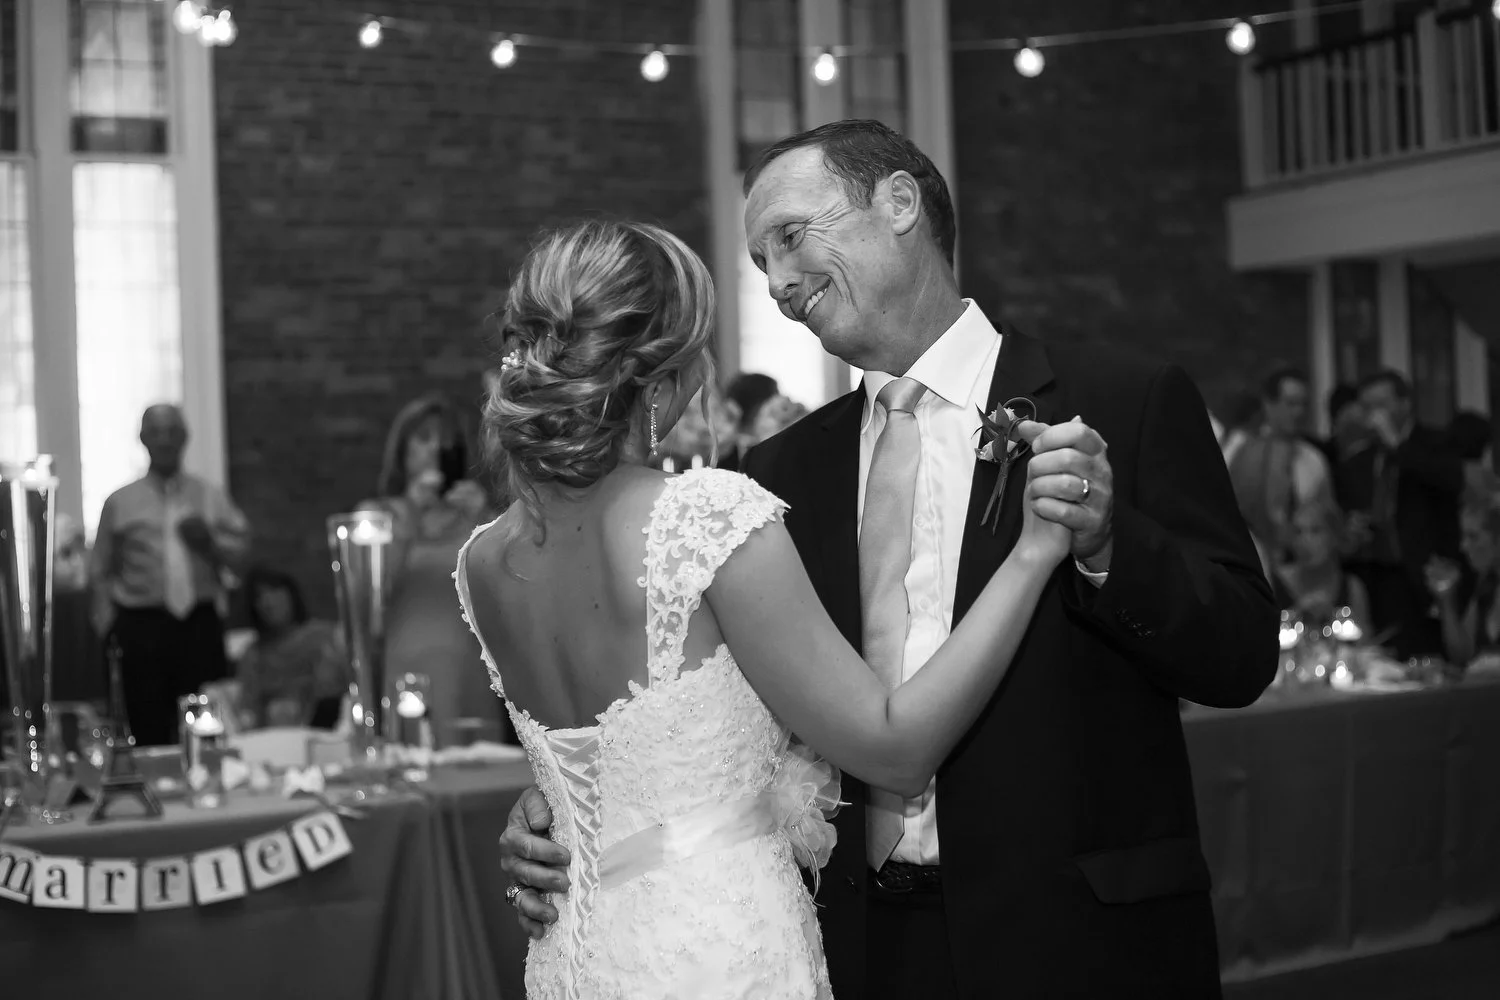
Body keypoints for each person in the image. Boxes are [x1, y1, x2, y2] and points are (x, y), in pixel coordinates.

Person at [499, 121, 1277, 998]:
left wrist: (1106, 545)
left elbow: (1242, 656)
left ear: (899, 203)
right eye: (762, 264)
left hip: (1079, 939)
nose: (781, 284)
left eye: (791, 239)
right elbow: (737, 714)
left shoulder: (1121, 403)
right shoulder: (780, 471)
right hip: (859, 948)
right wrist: (581, 815)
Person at [458, 218, 1070, 998]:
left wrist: (542, 813)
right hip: (718, 952)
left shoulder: (480, 559)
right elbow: (892, 750)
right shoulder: (703, 517)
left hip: (579, 958)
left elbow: (604, 763)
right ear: (661, 382)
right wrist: (1032, 554)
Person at [91, 404, 250, 746]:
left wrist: (209, 543)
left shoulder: (210, 496)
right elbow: (99, 571)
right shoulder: (120, 502)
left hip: (198, 625)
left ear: (185, 438)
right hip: (141, 626)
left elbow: (241, 562)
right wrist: (108, 627)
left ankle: (206, 786)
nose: (165, 441)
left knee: (206, 724)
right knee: (146, 724)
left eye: (172, 432)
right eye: (156, 432)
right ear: (143, 439)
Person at [358, 394, 506, 745]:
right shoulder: (376, 515)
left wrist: (485, 521)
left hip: (467, 671)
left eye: (446, 441)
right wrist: (408, 519)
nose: (436, 450)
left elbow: (504, 594)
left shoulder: (473, 513)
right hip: (404, 670)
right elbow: (368, 600)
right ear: (402, 450)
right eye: (424, 439)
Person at [1339, 370, 1462, 657]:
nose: (1374, 414)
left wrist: (1397, 444)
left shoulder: (1437, 443)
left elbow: (1448, 481)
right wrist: (1353, 529)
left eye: (1381, 404)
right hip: (1376, 578)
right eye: (1367, 407)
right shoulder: (1359, 460)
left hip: (1425, 576)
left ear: (1405, 403)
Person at [1226, 367, 1335, 563]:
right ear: (1269, 404)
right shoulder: (1241, 454)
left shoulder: (1314, 459)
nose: (1299, 412)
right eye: (1291, 403)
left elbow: (1326, 516)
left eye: (1304, 404)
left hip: (1304, 569)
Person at [234, 568, 347, 729]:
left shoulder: (323, 637)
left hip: (324, 730)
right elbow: (247, 709)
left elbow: (339, 689)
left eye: (274, 591)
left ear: (290, 594)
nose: (268, 602)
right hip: (272, 737)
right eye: (258, 597)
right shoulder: (253, 655)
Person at [1425, 495, 1500, 668]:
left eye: (1473, 537)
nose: (1463, 546)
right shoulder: (1487, 587)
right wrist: (1446, 600)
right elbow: (1462, 655)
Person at [1273, 502, 1371, 629]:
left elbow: (1366, 643)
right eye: (1298, 532)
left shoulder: (1351, 588)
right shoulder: (1276, 583)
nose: (1305, 540)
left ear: (1334, 537)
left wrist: (1333, 617)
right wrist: (1297, 614)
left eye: (1315, 531)